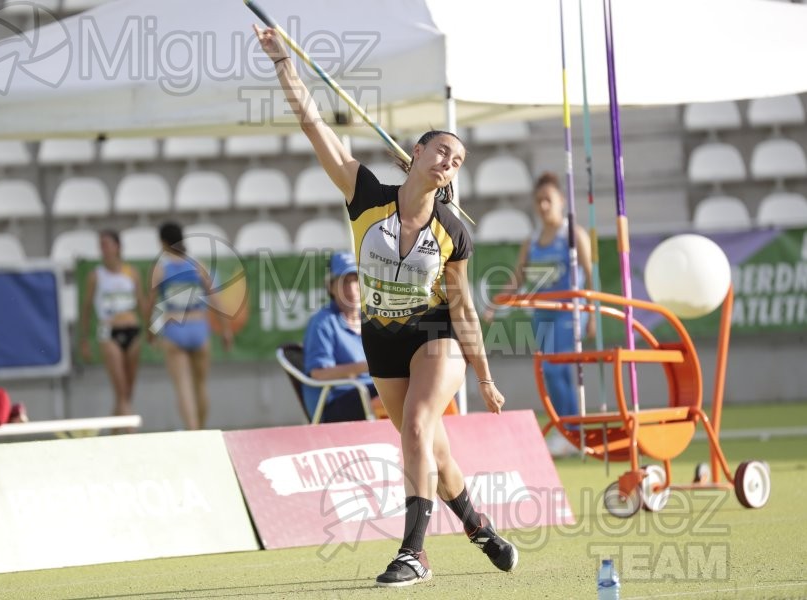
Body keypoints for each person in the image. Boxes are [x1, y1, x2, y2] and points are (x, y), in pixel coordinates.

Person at [254, 25, 517, 587]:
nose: (450, 161)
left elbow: (463, 309)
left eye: (458, 160)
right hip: (380, 336)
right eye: (442, 150)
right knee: (426, 443)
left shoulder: (452, 232)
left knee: (420, 423)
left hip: (433, 333)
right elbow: (314, 126)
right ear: (416, 153)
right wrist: (284, 66)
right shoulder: (365, 196)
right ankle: (478, 527)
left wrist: (486, 377)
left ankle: (413, 553)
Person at [484, 172, 596, 457]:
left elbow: (590, 276)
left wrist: (592, 315)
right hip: (541, 314)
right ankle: (573, 432)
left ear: (560, 201)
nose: (543, 206)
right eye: (538, 201)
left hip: (567, 313)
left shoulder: (574, 235)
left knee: (555, 369)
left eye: (548, 200)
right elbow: (518, 276)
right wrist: (497, 302)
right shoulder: (532, 240)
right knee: (553, 374)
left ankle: (570, 433)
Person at [145, 222, 233, 430]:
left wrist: (151, 331)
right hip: (199, 328)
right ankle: (201, 430)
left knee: (183, 388)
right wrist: (226, 331)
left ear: (163, 242)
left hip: (175, 328)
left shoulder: (161, 268)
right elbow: (216, 300)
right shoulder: (197, 265)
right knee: (201, 386)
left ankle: (193, 432)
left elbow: (150, 304)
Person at [302, 251, 385, 423]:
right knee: (393, 391)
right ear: (331, 287)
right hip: (337, 402)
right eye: (344, 281)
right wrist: (365, 367)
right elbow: (319, 374)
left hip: (370, 392)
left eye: (356, 280)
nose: (351, 288)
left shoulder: (372, 319)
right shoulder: (322, 322)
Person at [79, 230, 146, 432]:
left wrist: (153, 330)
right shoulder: (96, 276)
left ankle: (111, 435)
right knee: (121, 390)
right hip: (108, 332)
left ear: (118, 247)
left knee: (127, 393)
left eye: (107, 244)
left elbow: (141, 302)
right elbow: (87, 308)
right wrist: (84, 339)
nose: (104, 249)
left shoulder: (131, 272)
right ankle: (131, 437)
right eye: (101, 245)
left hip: (133, 331)